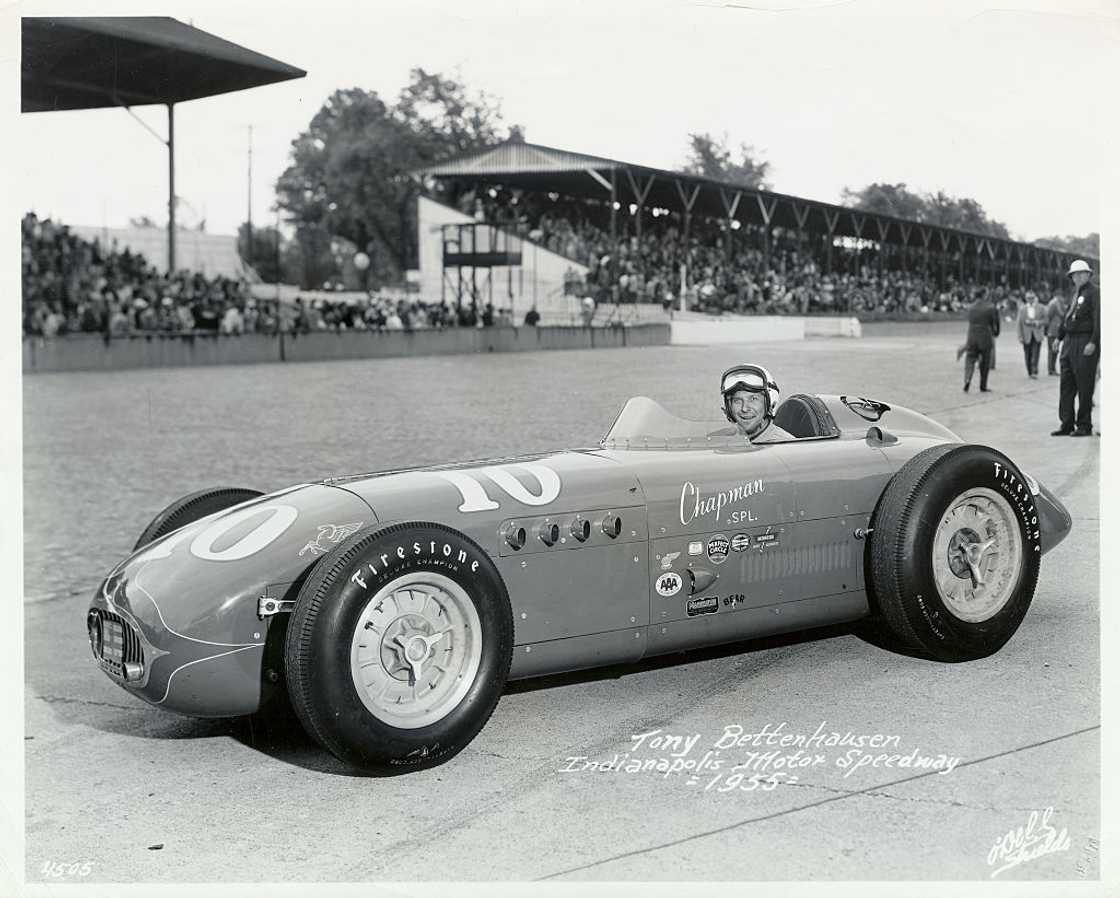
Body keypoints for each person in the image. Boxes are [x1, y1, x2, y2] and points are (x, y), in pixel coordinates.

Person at [1052, 259, 1101, 437]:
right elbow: (1067, 318)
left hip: (1085, 340)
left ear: (1089, 274)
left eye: (1082, 273)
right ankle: (1066, 423)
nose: (1078, 277)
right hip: (1069, 342)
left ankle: (1084, 425)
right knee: (1066, 384)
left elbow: (1099, 319)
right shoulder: (1076, 293)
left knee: (1084, 384)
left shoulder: (1095, 292)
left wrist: (1094, 342)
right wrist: (1059, 337)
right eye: (1075, 275)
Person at [718, 364, 793, 443]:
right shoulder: (720, 440)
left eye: (753, 399)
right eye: (737, 400)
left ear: (769, 403)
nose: (744, 408)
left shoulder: (785, 447)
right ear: (729, 407)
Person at [958, 287, 1000, 392]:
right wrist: (995, 333)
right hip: (985, 337)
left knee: (970, 359)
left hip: (972, 337)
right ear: (984, 295)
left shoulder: (970, 307)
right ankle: (983, 385)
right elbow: (994, 323)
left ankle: (967, 379)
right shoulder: (990, 307)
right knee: (985, 363)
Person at [1016, 291, 1045, 378]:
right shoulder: (1022, 309)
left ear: (1035, 298)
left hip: (1037, 334)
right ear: (1026, 299)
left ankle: (1034, 371)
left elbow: (1046, 320)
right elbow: (1019, 324)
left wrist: (1038, 323)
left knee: (1035, 353)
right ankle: (1029, 371)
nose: (1030, 300)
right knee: (1027, 354)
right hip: (1026, 335)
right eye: (1028, 298)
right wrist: (1020, 336)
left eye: (1032, 298)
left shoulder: (1041, 308)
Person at [1044, 290, 1066, 376]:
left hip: (1057, 331)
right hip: (1052, 331)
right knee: (1051, 350)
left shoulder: (1059, 304)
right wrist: (1046, 329)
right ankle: (1051, 369)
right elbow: (1048, 317)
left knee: (1055, 351)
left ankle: (1053, 369)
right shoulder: (1053, 304)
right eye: (1061, 297)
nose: (1063, 299)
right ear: (1058, 296)